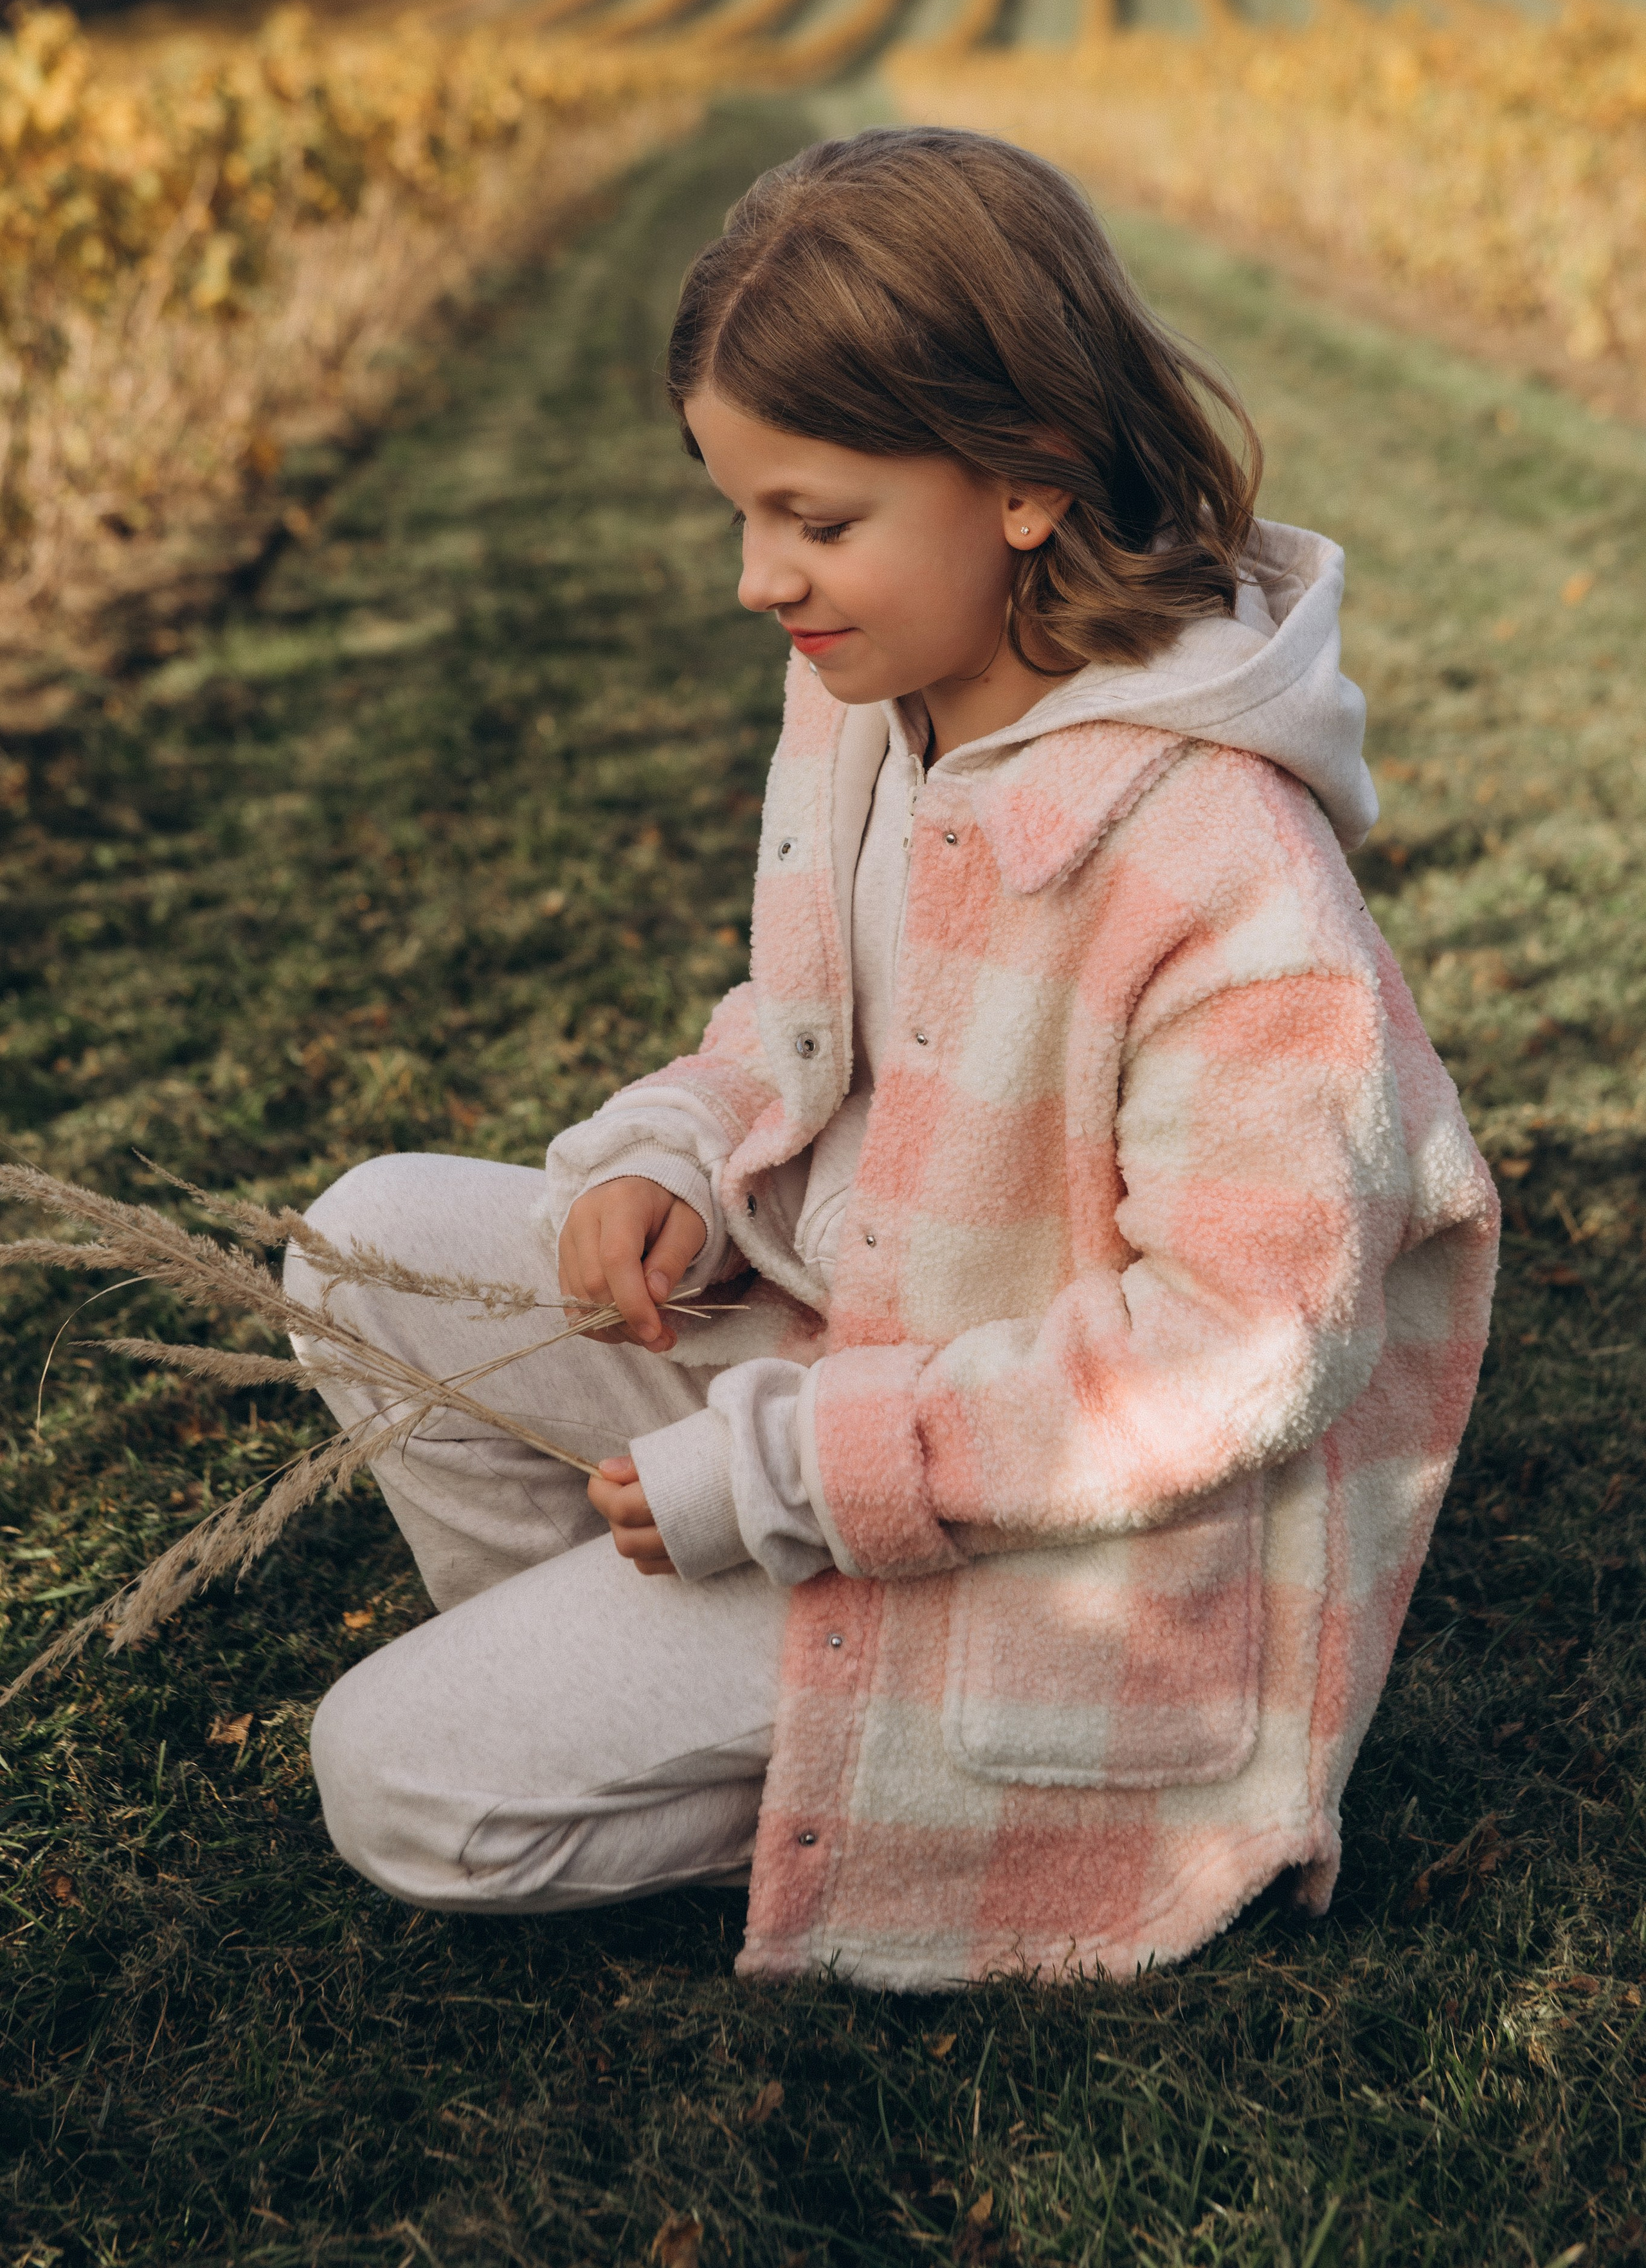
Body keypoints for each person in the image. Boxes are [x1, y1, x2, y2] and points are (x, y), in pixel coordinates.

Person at [290, 127, 1499, 1988]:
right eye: (738, 511)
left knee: (393, 1782)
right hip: (846, 1353)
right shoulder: (886, 698)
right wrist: (676, 1152)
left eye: (816, 520)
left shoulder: (1224, 873)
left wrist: (783, 1481)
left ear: (1022, 485)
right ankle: (632, 1649)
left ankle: (918, 1788)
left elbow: (1237, 1357)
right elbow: (816, 1029)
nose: (759, 579)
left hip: (1051, 1550)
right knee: (364, 1246)